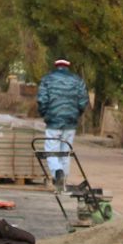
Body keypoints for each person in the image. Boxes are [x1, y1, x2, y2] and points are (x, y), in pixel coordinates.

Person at [36, 57, 88, 190]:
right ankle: (63, 184)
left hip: (53, 121)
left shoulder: (47, 79)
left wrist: (45, 114)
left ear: (56, 66)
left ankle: (57, 172)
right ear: (68, 66)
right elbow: (83, 101)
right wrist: (76, 114)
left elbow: (42, 99)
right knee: (66, 152)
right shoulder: (77, 80)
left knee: (51, 150)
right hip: (70, 122)